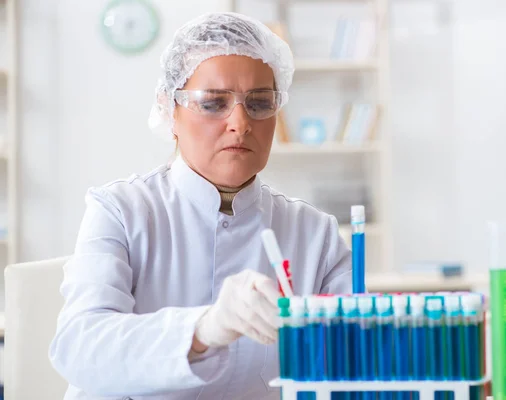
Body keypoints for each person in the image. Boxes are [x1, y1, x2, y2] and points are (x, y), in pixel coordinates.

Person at [48, 11, 352, 400]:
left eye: (259, 103)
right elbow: (80, 348)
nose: (240, 123)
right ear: (169, 110)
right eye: (212, 103)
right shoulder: (121, 210)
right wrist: (205, 329)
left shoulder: (315, 233)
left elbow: (349, 361)